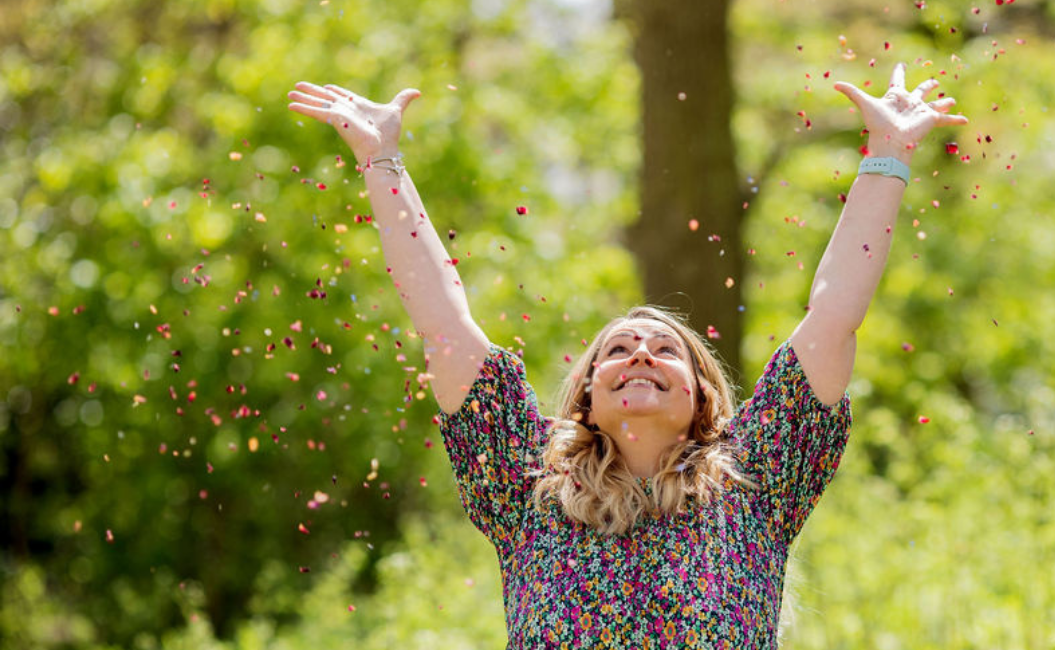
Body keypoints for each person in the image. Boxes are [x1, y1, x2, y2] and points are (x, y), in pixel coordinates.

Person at [288, 60, 966, 648]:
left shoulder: (760, 482)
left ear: (702, 397)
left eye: (666, 350)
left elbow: (834, 317)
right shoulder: (526, 486)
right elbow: (442, 319)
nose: (640, 352)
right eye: (617, 348)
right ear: (587, 393)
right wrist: (382, 160)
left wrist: (887, 156)